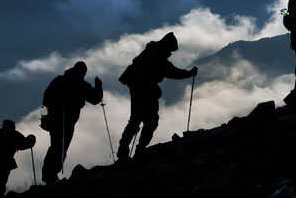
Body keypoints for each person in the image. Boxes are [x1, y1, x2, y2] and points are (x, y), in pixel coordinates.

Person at [116, 32, 197, 161]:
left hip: (137, 89)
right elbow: (172, 71)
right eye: (171, 49)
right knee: (150, 121)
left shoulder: (151, 52)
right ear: (168, 46)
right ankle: (140, 150)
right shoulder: (158, 56)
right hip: (146, 91)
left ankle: (123, 152)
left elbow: (168, 69)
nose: (171, 52)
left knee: (136, 120)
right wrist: (189, 73)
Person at [40, 61, 102, 184]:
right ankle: (50, 176)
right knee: (60, 147)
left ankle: (49, 175)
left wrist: (98, 87)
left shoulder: (60, 80)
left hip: (60, 120)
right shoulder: (80, 84)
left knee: (57, 147)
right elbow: (95, 99)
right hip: (62, 120)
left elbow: (46, 98)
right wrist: (98, 86)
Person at [0, 120, 35, 198]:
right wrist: (31, 140)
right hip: (5, 163)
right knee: (0, 184)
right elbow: (24, 144)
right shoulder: (15, 135)